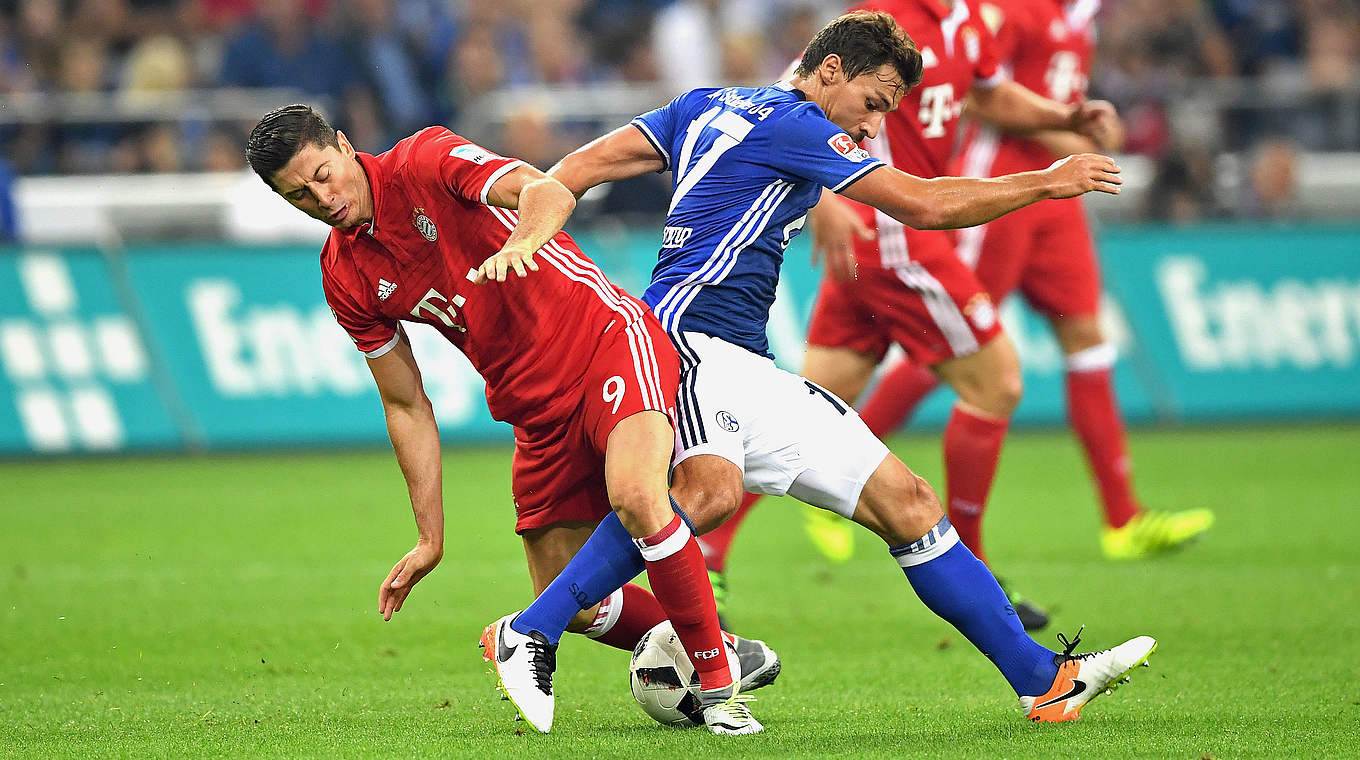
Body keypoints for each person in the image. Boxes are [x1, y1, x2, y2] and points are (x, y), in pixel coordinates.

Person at [540, 10, 1156, 723]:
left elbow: (576, 170)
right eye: (873, 106)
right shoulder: (797, 123)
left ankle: (1043, 680)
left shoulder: (712, 103)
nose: (871, 128)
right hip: (690, 345)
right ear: (830, 71)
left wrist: (537, 226)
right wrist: (1047, 180)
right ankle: (535, 629)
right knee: (706, 493)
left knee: (910, 503)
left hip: (740, 359)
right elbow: (924, 204)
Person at [243, 105, 768, 736]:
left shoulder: (424, 160)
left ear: (347, 146)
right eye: (298, 195)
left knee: (638, 497)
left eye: (324, 174)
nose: (323, 198)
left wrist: (523, 239)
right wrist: (429, 537)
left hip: (604, 339)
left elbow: (544, 188)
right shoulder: (344, 275)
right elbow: (406, 403)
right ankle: (716, 644)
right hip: (531, 405)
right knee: (576, 599)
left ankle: (717, 690)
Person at [697, 0, 1124, 631]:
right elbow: (796, 93)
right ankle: (973, 566)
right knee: (998, 382)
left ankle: (706, 557)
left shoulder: (969, 22)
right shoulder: (885, 21)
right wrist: (821, 201)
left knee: (799, 412)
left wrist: (1063, 115)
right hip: (896, 234)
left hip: (880, 240)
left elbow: (988, 96)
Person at [846, 0, 1215, 565]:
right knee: (960, 347)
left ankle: (1122, 518)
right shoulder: (1008, 11)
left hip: (1059, 196)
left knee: (1086, 339)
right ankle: (852, 463)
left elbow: (994, 86)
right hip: (1002, 189)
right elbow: (977, 95)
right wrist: (1066, 136)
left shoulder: (1081, 13)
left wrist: (1069, 125)